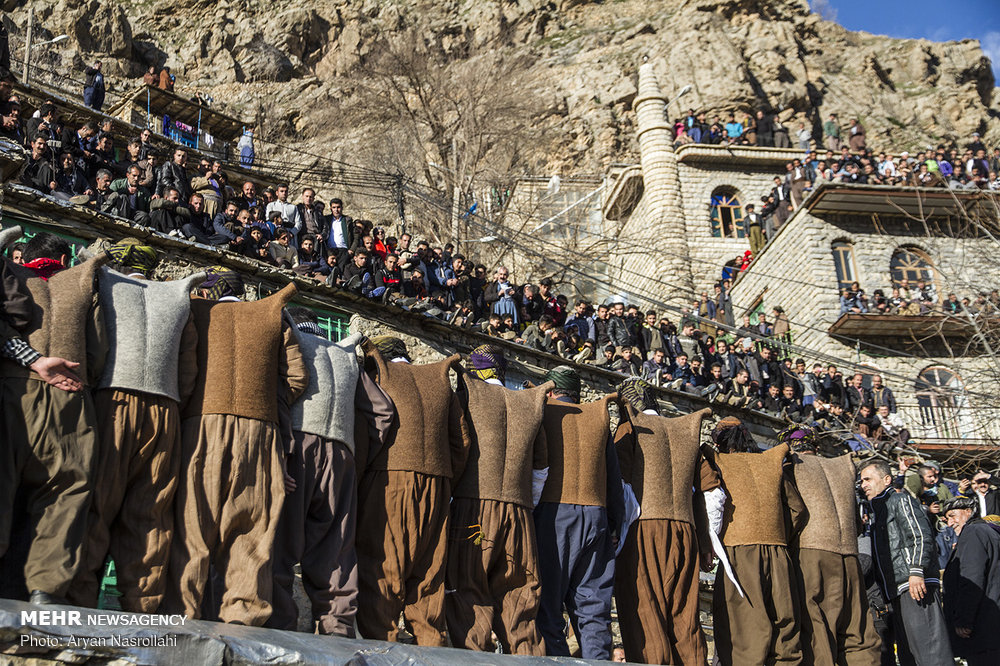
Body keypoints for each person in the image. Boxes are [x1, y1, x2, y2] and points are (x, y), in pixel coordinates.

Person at [69, 243, 202, 612]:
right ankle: (142, 607)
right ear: (153, 267)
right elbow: (187, 368)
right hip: (165, 410)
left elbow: (93, 345)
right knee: (150, 514)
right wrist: (174, 407)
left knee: (96, 504)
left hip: (112, 403)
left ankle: (77, 601)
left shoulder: (106, 284)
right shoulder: (178, 295)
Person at [166, 277, 307, 625]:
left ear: (208, 291)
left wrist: (189, 409)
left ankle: (181, 616)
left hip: (202, 425)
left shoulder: (195, 311)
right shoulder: (271, 313)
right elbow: (297, 378)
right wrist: (260, 400)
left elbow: (184, 373)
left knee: (193, 526)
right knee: (251, 530)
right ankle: (243, 620)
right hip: (261, 430)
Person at [269, 311, 392, 636]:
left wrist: (277, 452)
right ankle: (336, 633)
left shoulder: (292, 344)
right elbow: (383, 412)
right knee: (335, 551)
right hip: (342, 455)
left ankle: (278, 631)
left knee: (280, 544)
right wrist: (356, 456)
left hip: (297, 447)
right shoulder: (345, 355)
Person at [0, 232, 107, 605]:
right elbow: (97, 349)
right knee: (65, 491)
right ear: (63, 261)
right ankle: (44, 588)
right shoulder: (82, 280)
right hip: (70, 393)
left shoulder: (8, 272)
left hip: (13, 388)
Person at [356, 337, 470, 645]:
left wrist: (359, 480)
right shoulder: (437, 380)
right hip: (438, 483)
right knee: (428, 577)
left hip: (389, 480)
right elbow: (461, 443)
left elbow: (366, 431)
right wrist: (446, 482)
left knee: (383, 568)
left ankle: (384, 647)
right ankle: (431, 647)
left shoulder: (379, 374)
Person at [447, 346, 551, 654]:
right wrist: (524, 505)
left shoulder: (468, 396)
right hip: (520, 516)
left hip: (473, 507)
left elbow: (458, 448)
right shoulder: (529, 403)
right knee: (520, 601)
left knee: (467, 590)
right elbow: (541, 468)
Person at [613, 378, 719, 664]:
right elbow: (711, 493)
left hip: (644, 530)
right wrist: (706, 542)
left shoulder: (631, 427)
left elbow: (620, 486)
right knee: (685, 617)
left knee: (646, 612)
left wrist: (615, 531)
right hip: (686, 532)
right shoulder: (685, 430)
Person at [534, 366, 623, 660]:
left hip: (553, 514)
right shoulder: (598, 416)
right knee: (594, 609)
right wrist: (613, 526)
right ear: (577, 393)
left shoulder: (543, 411)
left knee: (547, 606)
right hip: (596, 515)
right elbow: (613, 479)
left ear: (550, 390)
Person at [706, 417, 807, 666]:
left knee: (744, 635)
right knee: (786, 635)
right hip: (779, 554)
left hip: (739, 555)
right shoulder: (771, 462)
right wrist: (779, 538)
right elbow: (797, 510)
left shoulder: (718, 462)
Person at [783, 426, 881, 665]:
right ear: (815, 446)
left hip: (811, 553)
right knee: (857, 629)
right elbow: (858, 524)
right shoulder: (842, 467)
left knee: (816, 627)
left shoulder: (790, 467)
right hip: (849, 556)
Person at [858, 460, 953, 666]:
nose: (863, 484)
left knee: (931, 654)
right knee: (909, 655)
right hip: (896, 593)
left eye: (868, 479)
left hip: (915, 586)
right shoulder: (876, 513)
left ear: (886, 479)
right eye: (861, 481)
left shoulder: (900, 500)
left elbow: (920, 536)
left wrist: (916, 571)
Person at [942, 497, 1000, 666]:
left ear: (969, 511)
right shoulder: (988, 533)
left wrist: (963, 620)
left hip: (983, 629)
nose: (950, 523)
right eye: (947, 519)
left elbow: (971, 580)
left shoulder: (973, 533)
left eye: (953, 516)